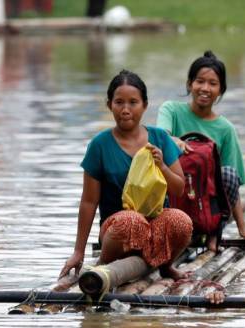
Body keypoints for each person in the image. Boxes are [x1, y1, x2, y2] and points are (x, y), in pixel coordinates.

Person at [59, 70, 193, 281]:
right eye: (119, 102)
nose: (125, 109)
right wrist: (78, 251)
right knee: (132, 221)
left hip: (155, 226)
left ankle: (166, 266)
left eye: (133, 102)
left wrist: (163, 167)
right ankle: (105, 264)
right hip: (118, 230)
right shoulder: (100, 145)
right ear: (109, 105)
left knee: (181, 221)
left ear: (145, 105)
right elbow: (88, 201)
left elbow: (179, 188)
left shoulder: (160, 138)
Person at [156, 50, 245, 250]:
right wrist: (174, 140)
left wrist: (242, 226)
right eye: (200, 81)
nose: (205, 88)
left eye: (213, 83)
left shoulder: (225, 129)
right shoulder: (171, 110)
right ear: (189, 84)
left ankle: (212, 234)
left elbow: (232, 184)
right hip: (173, 196)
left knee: (227, 174)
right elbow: (160, 137)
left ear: (221, 90)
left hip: (206, 207)